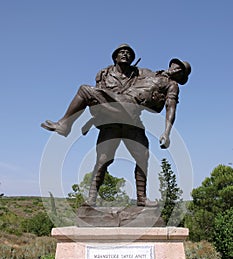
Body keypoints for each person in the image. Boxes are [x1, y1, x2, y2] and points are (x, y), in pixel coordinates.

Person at [41, 44, 191, 206]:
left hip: (130, 113)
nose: (175, 69)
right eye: (175, 65)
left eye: (180, 70)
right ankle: (91, 198)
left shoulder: (172, 86)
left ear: (181, 77)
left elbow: (171, 108)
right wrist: (91, 120)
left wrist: (166, 132)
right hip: (113, 119)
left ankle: (141, 198)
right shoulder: (147, 72)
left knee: (143, 157)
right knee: (102, 160)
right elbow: (117, 82)